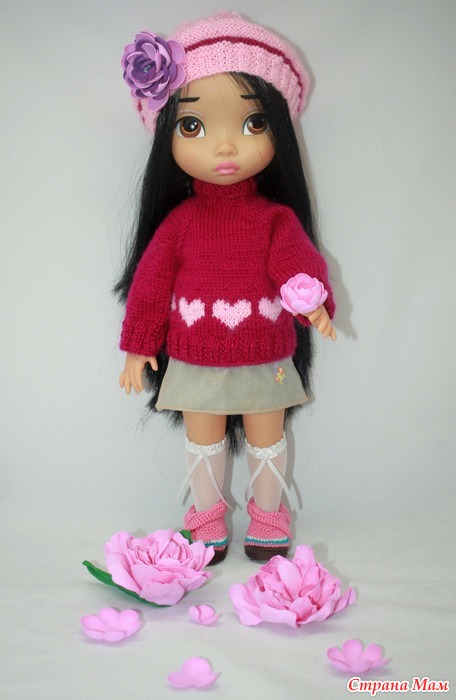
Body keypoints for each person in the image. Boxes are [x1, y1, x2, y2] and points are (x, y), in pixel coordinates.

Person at [115, 12, 336, 564]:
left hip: (267, 354)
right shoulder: (179, 224)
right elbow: (150, 282)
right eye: (193, 126)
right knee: (203, 439)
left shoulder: (274, 219)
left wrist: (311, 300)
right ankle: (207, 518)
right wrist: (139, 344)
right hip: (194, 354)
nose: (225, 146)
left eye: (252, 122)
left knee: (267, 437)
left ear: (278, 130)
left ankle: (269, 517)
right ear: (167, 136)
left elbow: (296, 262)